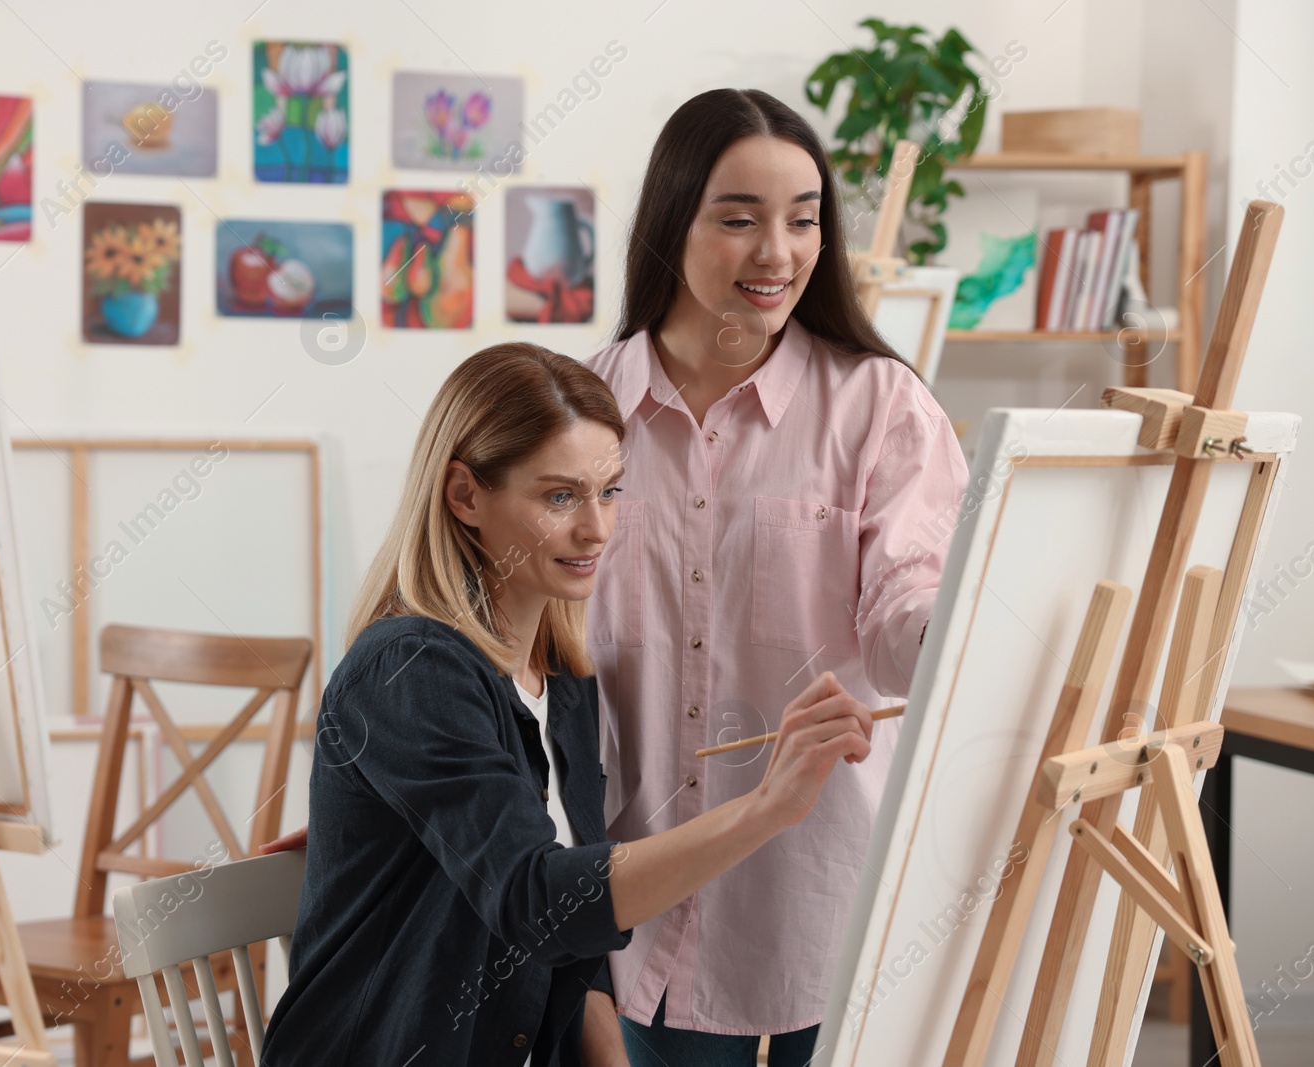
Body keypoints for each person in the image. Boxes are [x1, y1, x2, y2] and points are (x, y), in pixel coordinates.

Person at [259, 343, 875, 1066]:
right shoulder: (411, 670)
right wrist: (767, 806)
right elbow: (541, 904)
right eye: (560, 496)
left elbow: (572, 950)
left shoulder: (565, 681)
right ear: (464, 495)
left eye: (610, 490)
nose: (597, 528)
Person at [583, 89, 969, 1066]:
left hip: (816, 916)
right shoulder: (586, 409)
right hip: (631, 908)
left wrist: (967, 630)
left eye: (803, 220)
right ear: (674, 221)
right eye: (739, 219)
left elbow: (902, 605)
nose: (778, 253)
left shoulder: (878, 406)